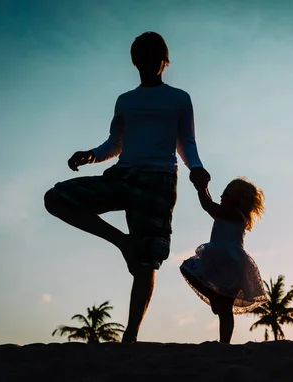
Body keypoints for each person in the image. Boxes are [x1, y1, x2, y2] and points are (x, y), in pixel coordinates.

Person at [43, 31, 210, 343]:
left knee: (147, 261)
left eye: (154, 57)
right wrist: (92, 155)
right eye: (142, 58)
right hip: (123, 175)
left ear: (165, 60)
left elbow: (185, 142)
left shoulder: (179, 98)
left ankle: (130, 336)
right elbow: (114, 144)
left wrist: (197, 168)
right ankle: (123, 243)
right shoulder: (126, 101)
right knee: (55, 198)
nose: (148, 63)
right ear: (135, 62)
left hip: (159, 180)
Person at [180, 177, 268, 344]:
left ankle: (224, 340)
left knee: (225, 307)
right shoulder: (233, 213)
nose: (222, 196)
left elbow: (208, 206)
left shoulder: (233, 213)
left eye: (226, 193)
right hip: (227, 260)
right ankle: (216, 303)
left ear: (236, 198)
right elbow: (210, 206)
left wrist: (201, 188)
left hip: (227, 260)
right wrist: (203, 189)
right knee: (224, 306)